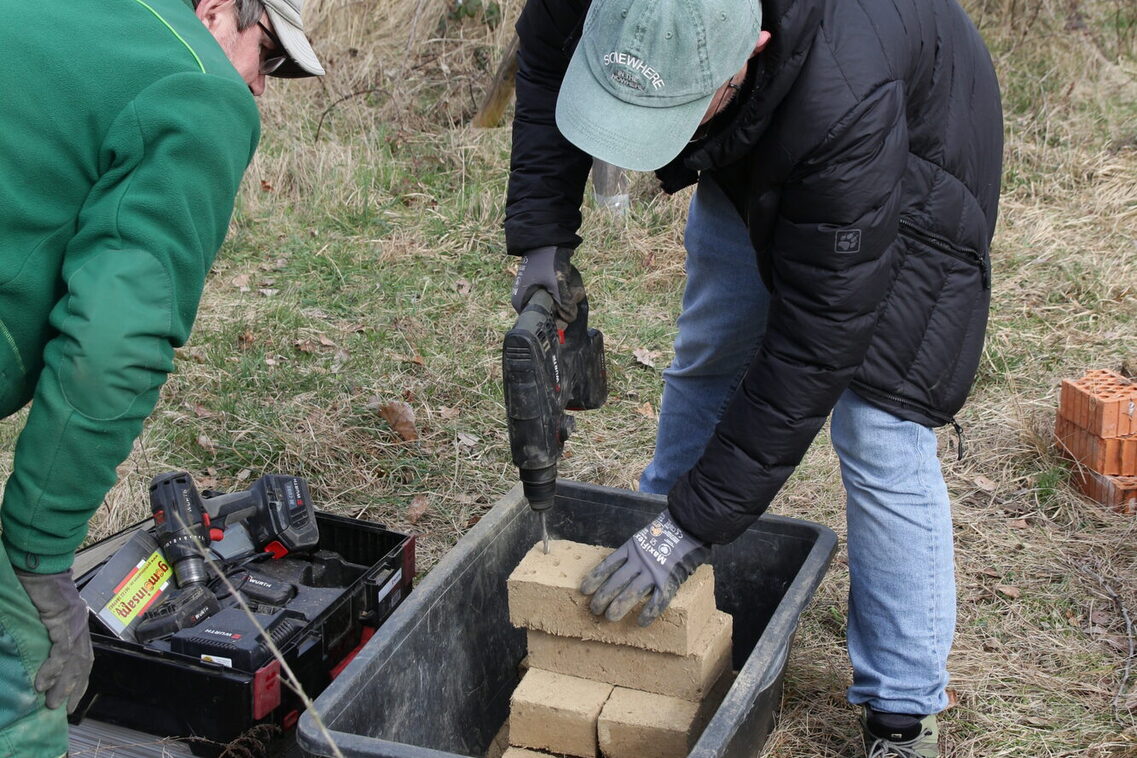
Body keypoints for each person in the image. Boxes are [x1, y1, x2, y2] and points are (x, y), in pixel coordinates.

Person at [504, 0, 1002, 754]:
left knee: (877, 427)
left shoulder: (845, 104)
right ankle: (658, 568)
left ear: (747, 52)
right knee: (712, 350)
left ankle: (901, 707)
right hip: (777, 120)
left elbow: (811, 349)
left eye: (676, 106)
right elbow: (545, 62)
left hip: (914, 164)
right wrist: (543, 237)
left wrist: (694, 526)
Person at [0, 0, 323, 752]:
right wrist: (40, 562)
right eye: (268, 55)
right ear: (214, 9)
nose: (262, 88)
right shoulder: (198, 82)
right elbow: (113, 344)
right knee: (22, 674)